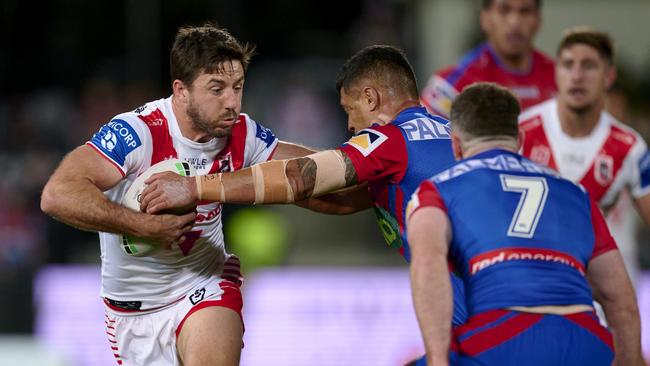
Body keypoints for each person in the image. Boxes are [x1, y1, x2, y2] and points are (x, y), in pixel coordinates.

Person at [138, 44, 469, 342]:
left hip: (478, 305)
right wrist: (254, 159)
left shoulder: (391, 140)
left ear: (371, 99)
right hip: (498, 291)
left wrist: (195, 186)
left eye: (349, 110)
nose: (351, 126)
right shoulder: (450, 136)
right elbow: (340, 200)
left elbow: (300, 178)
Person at [40, 24, 314, 366]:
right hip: (132, 313)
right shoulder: (138, 132)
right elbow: (57, 195)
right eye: (217, 89)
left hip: (205, 285)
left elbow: (312, 170)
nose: (231, 102)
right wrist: (143, 226)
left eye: (238, 87)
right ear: (181, 91)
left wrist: (363, 164)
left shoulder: (243, 133)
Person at [406, 82, 644, 366]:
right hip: (584, 340)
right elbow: (619, 298)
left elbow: (428, 267)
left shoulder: (436, 191)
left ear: (455, 145)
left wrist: (437, 360)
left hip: (502, 336)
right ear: (519, 139)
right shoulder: (576, 193)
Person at [519, 27, 650, 287]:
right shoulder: (522, 131)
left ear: (608, 77)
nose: (577, 75)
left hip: (606, 296)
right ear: (556, 73)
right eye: (568, 65)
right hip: (535, 291)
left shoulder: (629, 147)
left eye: (588, 66)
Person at [420, 0, 555, 117]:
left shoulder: (561, 77)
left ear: (538, 20)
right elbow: (421, 141)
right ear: (485, 19)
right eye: (504, 10)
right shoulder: (452, 85)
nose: (515, 22)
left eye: (525, 11)